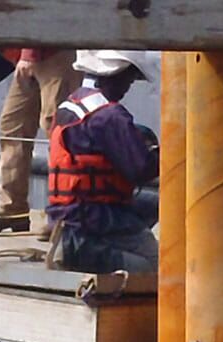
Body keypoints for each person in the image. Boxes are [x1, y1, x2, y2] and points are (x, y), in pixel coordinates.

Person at [45, 50, 159, 274]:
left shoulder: (71, 104)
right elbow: (141, 169)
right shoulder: (110, 115)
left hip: (65, 212)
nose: (128, 87)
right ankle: (85, 254)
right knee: (155, 265)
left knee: (152, 205)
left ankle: (85, 244)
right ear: (115, 75)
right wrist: (164, 154)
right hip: (96, 215)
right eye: (129, 79)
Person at [0, 48, 82, 233]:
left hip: (54, 51)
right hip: (28, 58)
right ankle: (13, 209)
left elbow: (35, 27)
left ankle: (65, 214)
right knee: (12, 126)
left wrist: (29, 54)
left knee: (58, 130)